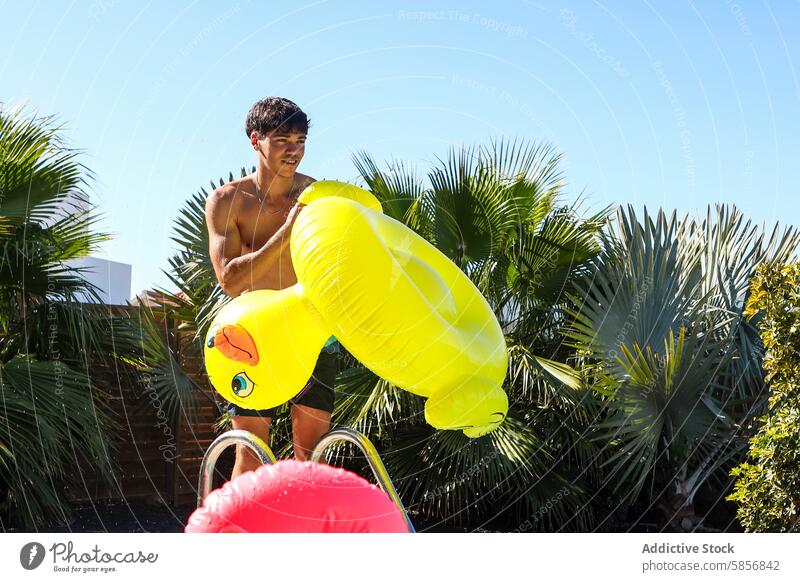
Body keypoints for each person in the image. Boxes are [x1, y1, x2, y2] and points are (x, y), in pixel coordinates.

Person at [205, 97, 338, 479]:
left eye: (300, 140)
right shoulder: (230, 201)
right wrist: (288, 229)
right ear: (255, 140)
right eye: (282, 140)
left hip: (311, 333)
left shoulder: (315, 194)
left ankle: (306, 535)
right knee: (250, 453)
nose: (293, 150)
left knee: (312, 454)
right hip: (252, 336)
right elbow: (229, 280)